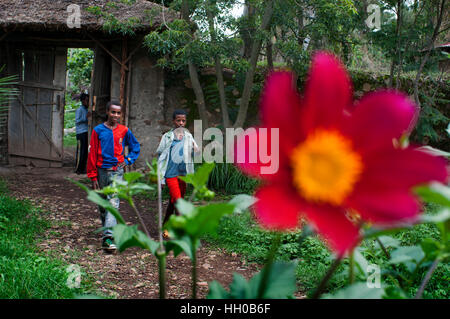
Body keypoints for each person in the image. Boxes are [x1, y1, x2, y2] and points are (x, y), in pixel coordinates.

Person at [87, 101, 140, 252]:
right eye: (113, 112)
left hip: (117, 172)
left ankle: (108, 238)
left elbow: (135, 146)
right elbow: (91, 155)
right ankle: (108, 233)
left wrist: (128, 160)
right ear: (107, 112)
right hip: (101, 172)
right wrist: (93, 176)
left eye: (118, 113)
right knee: (103, 205)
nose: (115, 115)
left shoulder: (124, 130)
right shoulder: (98, 131)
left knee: (112, 204)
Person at [156, 110, 199, 238]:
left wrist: (195, 149)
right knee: (179, 202)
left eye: (183, 121)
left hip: (183, 174)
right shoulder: (167, 137)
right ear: (173, 121)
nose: (181, 123)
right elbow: (161, 156)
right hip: (170, 174)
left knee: (173, 201)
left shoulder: (188, 136)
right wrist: (160, 177)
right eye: (178, 120)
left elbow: (196, 152)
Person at [74, 92, 90, 174]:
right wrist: (85, 118)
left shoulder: (87, 109)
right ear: (83, 101)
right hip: (80, 132)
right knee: (81, 151)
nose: (88, 102)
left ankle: (83, 168)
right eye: (87, 100)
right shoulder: (79, 110)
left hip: (86, 131)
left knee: (85, 151)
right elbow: (77, 121)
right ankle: (78, 169)